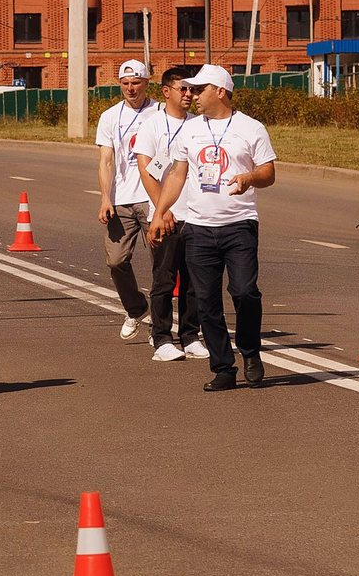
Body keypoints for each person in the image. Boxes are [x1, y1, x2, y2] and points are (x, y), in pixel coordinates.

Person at [148, 64, 278, 391]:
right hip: (199, 228)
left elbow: (268, 173)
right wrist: (159, 213)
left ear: (220, 91)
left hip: (239, 226)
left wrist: (249, 178)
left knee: (244, 292)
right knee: (206, 302)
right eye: (189, 89)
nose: (191, 95)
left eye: (199, 89)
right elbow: (177, 175)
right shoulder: (190, 131)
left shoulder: (251, 128)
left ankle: (250, 351)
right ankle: (223, 368)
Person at [139, 63, 207, 362]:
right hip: (167, 214)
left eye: (193, 89)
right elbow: (147, 171)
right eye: (183, 89)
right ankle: (162, 337)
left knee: (194, 280)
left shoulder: (198, 124)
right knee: (164, 278)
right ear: (166, 92)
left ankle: (190, 335)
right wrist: (161, 210)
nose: (189, 94)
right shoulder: (152, 125)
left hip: (196, 214)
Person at [95, 58, 162, 350]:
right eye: (125, 84)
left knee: (162, 265)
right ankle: (136, 309)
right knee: (116, 260)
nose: (130, 89)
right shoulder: (110, 117)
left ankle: (160, 328)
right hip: (121, 200)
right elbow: (106, 160)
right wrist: (105, 198)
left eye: (136, 83)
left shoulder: (160, 112)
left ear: (147, 83)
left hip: (153, 199)